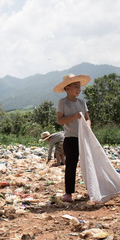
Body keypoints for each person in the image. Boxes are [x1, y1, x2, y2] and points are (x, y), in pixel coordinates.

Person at [53, 73, 91, 202]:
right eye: (75, 86)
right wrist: (73, 116)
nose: (78, 89)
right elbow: (60, 120)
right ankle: (68, 193)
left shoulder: (82, 102)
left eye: (79, 86)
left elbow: (87, 119)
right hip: (70, 138)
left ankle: (92, 189)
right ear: (67, 88)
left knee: (88, 164)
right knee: (71, 165)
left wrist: (88, 128)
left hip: (84, 138)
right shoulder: (62, 103)